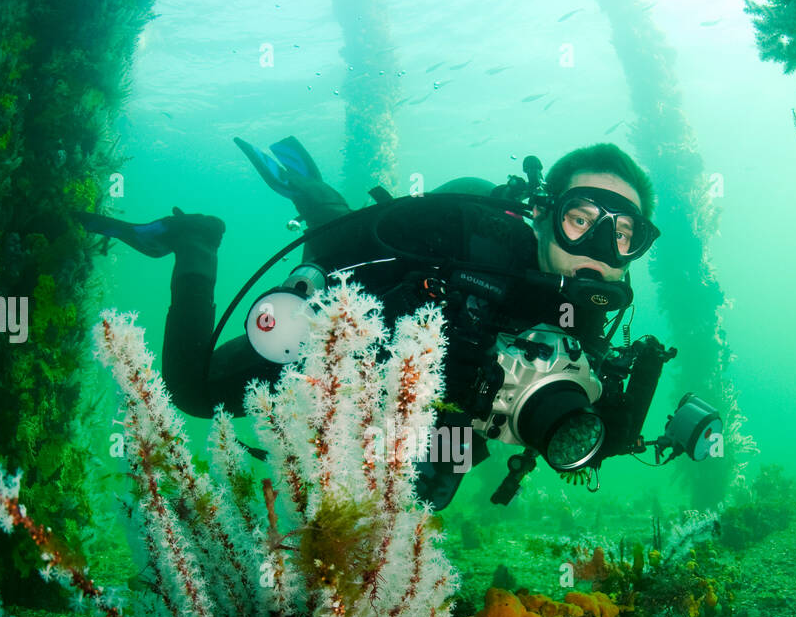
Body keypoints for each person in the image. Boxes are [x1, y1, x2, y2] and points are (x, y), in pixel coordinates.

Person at [79, 136, 664, 506]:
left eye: (623, 234)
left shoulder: (594, 317)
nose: (600, 249)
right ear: (544, 214)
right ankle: (198, 242)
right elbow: (342, 249)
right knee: (193, 390)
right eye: (582, 219)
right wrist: (307, 300)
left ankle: (311, 191)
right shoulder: (468, 235)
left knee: (423, 495)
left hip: (428, 404)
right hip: (358, 323)